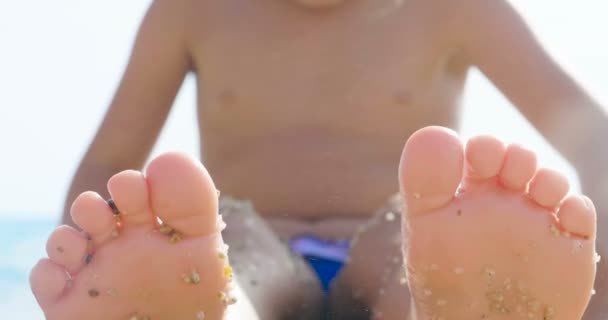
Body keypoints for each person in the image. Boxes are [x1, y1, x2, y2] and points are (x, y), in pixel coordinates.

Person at [29, 0, 607, 319]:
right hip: (251, 234)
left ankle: (469, 309)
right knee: (231, 263)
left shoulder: (454, 9)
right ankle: (192, 311)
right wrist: (83, 263)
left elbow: (593, 138)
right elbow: (106, 159)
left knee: (418, 265)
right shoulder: (192, 11)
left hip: (395, 235)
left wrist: (601, 282)